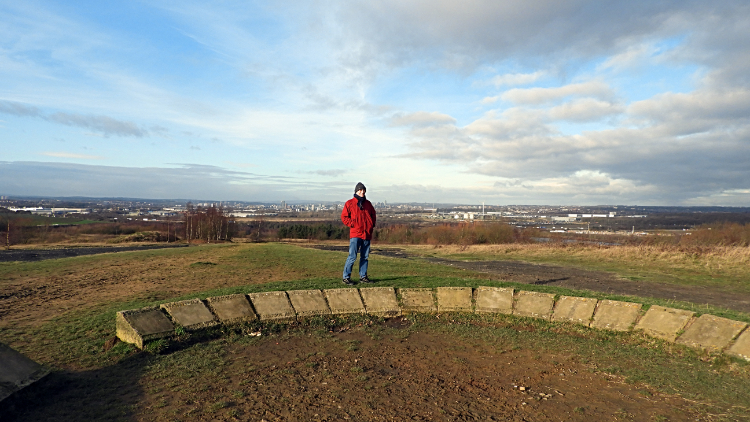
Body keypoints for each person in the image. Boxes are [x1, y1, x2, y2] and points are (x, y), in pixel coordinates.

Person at [341, 182, 376, 285]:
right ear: (356, 191)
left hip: (367, 234)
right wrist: (353, 224)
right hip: (356, 234)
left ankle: (363, 276)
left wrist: (371, 225)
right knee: (352, 256)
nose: (362, 192)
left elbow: (373, 215)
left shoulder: (368, 204)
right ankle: (346, 277)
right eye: (360, 190)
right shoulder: (350, 203)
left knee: (365, 257)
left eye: (363, 190)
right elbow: (344, 217)